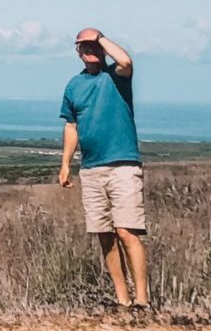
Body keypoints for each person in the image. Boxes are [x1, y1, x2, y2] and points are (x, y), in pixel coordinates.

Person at [58, 27, 148, 310]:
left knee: (127, 231)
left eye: (93, 45)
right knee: (104, 235)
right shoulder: (73, 86)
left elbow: (126, 62)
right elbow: (71, 125)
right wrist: (65, 164)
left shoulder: (116, 77)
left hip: (122, 164)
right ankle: (123, 300)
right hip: (91, 169)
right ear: (77, 52)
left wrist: (100, 37)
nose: (90, 50)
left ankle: (142, 300)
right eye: (84, 46)